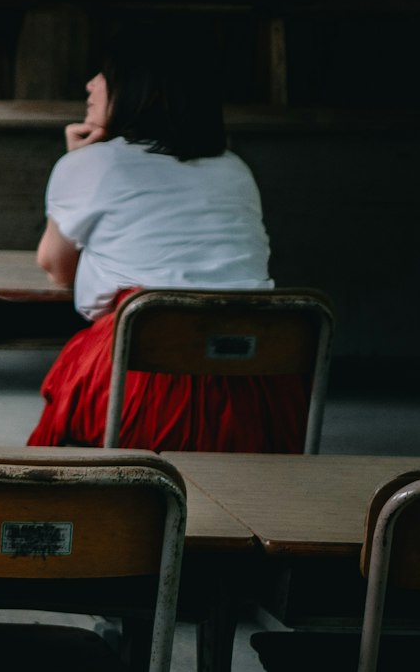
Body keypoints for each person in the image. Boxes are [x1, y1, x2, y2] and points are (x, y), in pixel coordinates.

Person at [27, 29, 303, 451]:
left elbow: (56, 267)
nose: (90, 84)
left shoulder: (93, 164)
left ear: (137, 88)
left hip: (139, 382)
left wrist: (77, 161)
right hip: (254, 389)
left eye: (103, 74)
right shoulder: (236, 169)